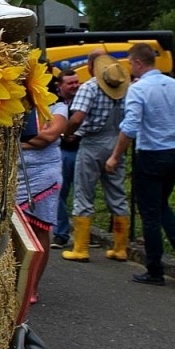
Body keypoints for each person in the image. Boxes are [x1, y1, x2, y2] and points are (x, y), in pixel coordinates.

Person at [105, 42, 175, 285]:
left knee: (149, 213)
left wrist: (115, 155)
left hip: (151, 153)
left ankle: (155, 269)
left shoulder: (138, 90)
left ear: (138, 63)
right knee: (161, 205)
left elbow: (130, 127)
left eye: (130, 62)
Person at [61, 50, 131, 263]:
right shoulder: (124, 88)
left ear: (92, 66)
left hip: (92, 144)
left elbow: (78, 118)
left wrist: (68, 133)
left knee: (84, 193)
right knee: (117, 194)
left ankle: (80, 249)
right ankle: (120, 249)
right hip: (117, 143)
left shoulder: (90, 87)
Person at [16, 80, 68, 300]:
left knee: (39, 229)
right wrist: (29, 141)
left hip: (44, 174)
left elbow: (48, 137)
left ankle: (32, 287)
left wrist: (18, 140)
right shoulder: (16, 106)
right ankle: (15, 283)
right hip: (14, 173)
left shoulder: (58, 107)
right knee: (12, 231)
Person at [51, 65, 80, 249]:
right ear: (59, 85)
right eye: (70, 83)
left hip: (81, 148)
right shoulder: (54, 102)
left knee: (82, 193)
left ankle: (81, 235)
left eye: (76, 82)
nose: (75, 86)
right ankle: (61, 233)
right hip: (64, 151)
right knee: (60, 193)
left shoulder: (83, 99)